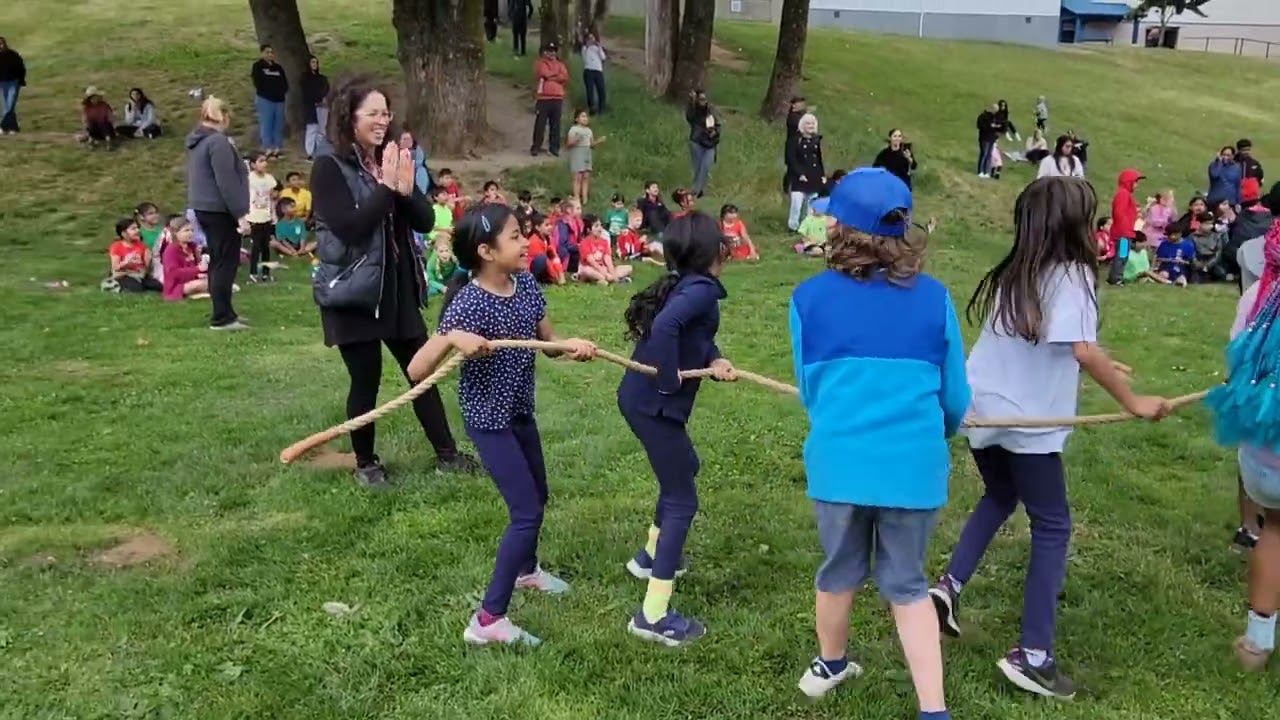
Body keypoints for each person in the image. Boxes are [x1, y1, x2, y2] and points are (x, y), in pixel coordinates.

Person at [930, 176, 1172, 700]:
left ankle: (945, 589)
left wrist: (1100, 364)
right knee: (1053, 525)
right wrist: (1134, 401)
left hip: (983, 412)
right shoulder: (1075, 275)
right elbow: (1082, 350)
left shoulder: (1014, 273)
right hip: (1027, 425)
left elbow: (1047, 348)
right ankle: (1034, 655)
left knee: (1000, 494)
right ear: (1075, 225)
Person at [790, 168, 967, 720]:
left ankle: (830, 664)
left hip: (839, 463)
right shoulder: (936, 299)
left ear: (840, 227)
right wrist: (933, 434)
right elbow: (956, 398)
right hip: (912, 466)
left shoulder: (807, 298)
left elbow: (809, 388)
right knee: (908, 584)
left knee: (839, 570)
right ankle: (933, 709)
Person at [405, 204, 597, 646]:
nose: (526, 241)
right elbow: (417, 371)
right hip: (488, 421)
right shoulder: (469, 302)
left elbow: (546, 345)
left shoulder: (527, 285)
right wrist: (452, 337)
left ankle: (526, 572)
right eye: (514, 236)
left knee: (539, 496)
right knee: (525, 512)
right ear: (487, 251)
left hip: (519, 410)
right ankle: (488, 620)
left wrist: (568, 346)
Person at [310, 75, 478, 487]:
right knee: (364, 379)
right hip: (355, 293)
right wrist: (386, 188)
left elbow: (423, 220)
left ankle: (447, 454)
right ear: (350, 118)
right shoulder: (329, 166)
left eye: (386, 112)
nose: (382, 120)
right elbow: (351, 228)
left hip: (398, 289)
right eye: (373, 113)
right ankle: (365, 463)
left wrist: (403, 189)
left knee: (422, 371)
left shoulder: (389, 158)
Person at [619, 211, 738, 646]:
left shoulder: (690, 286)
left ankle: (650, 556)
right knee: (681, 500)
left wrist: (715, 358)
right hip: (654, 406)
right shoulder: (702, 289)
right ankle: (652, 615)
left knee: (685, 465)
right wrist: (668, 378)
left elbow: (692, 333)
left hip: (640, 401)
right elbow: (668, 327)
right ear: (714, 252)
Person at [1206, 225, 1280, 671]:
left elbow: (1236, 360)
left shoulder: (1254, 301)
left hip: (1263, 458)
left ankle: (1256, 643)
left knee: (1274, 529)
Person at [186, 95, 251, 331]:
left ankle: (225, 311)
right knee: (226, 262)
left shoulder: (198, 142)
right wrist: (241, 214)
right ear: (223, 116)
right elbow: (227, 181)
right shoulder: (218, 143)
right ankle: (222, 318)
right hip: (220, 210)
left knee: (218, 261)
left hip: (205, 207)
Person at [786, 113, 825, 231]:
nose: (811, 126)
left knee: (811, 204)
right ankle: (793, 227)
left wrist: (822, 174)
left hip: (814, 176)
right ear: (803, 125)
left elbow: (819, 159)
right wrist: (800, 174)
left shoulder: (816, 140)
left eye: (813, 123)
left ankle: (807, 228)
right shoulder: (795, 140)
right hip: (799, 177)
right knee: (796, 204)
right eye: (808, 123)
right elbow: (791, 159)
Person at [530, 42, 568, 157]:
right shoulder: (541, 63)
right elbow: (543, 73)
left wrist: (551, 77)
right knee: (540, 123)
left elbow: (565, 76)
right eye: (549, 51)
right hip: (543, 97)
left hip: (557, 97)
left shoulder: (561, 64)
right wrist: (556, 76)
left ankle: (554, 147)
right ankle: (536, 146)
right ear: (545, 52)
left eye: (554, 51)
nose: (552, 53)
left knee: (556, 124)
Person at [1106, 168, 1143, 285]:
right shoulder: (1123, 194)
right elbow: (1119, 212)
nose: (1137, 185)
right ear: (1129, 181)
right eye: (1135, 182)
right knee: (1122, 256)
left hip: (1125, 231)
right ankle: (1116, 278)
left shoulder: (1124, 194)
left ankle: (1115, 277)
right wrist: (1124, 228)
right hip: (1123, 233)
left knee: (1122, 255)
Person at [250, 44, 288, 156]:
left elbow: (284, 83)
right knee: (267, 123)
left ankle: (277, 147)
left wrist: (281, 92)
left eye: (271, 52)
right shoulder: (258, 66)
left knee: (278, 124)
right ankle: (268, 147)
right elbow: (258, 83)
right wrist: (269, 91)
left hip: (279, 100)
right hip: (265, 99)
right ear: (262, 53)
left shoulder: (278, 68)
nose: (270, 54)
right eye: (267, 52)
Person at [246, 152, 278, 282]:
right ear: (253, 165)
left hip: (266, 215)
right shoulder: (249, 178)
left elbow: (270, 198)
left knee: (266, 246)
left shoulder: (269, 178)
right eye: (261, 161)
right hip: (253, 216)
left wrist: (273, 214)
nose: (265, 163)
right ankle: (253, 272)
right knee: (256, 246)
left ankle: (266, 272)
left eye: (265, 160)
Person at [107, 218, 162, 293]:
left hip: (139, 274)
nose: (137, 230)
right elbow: (115, 267)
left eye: (137, 228)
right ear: (123, 233)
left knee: (158, 286)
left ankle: (139, 283)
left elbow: (146, 267)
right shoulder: (117, 246)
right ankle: (117, 285)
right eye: (133, 229)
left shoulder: (142, 246)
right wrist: (126, 263)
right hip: (123, 274)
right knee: (136, 288)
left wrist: (148, 260)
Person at [161, 216, 210, 301]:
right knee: (201, 284)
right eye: (186, 230)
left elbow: (194, 265)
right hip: (176, 286)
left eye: (192, 230)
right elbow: (173, 273)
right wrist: (197, 269)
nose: (190, 233)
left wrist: (200, 271)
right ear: (175, 232)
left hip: (191, 279)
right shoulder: (171, 250)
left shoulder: (192, 247)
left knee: (214, 279)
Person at [576, 214, 632, 284]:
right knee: (586, 270)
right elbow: (592, 262)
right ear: (588, 230)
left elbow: (608, 260)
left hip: (604, 268)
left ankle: (603, 280)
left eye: (601, 225)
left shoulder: (604, 242)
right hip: (591, 268)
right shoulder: (584, 243)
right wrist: (605, 273)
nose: (600, 228)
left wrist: (612, 274)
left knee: (629, 268)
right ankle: (605, 278)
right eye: (596, 226)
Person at [685, 90, 721, 197]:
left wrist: (715, 132)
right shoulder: (694, 112)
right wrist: (691, 102)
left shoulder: (711, 112)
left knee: (706, 166)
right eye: (700, 99)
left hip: (710, 143)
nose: (703, 101)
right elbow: (689, 117)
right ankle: (698, 189)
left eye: (704, 99)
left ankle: (698, 188)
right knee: (698, 167)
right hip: (697, 142)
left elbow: (718, 125)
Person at [566, 108, 604, 204]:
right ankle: (576, 198)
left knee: (586, 176)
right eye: (582, 116)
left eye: (586, 116)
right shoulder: (573, 129)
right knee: (577, 176)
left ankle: (585, 199)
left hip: (587, 153)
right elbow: (568, 143)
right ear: (576, 119)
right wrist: (576, 140)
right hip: (578, 152)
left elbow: (591, 144)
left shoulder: (589, 130)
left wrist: (599, 141)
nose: (585, 118)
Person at [301, 55, 330, 160]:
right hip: (311, 107)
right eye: (312, 63)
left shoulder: (322, 78)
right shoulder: (305, 78)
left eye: (316, 63)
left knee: (321, 131)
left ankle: (319, 151)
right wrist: (317, 98)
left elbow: (327, 89)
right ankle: (310, 152)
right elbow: (307, 93)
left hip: (322, 107)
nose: (315, 65)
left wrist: (323, 99)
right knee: (312, 129)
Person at [0, 37, 26, 134]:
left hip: (13, 83)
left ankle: (3, 126)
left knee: (10, 105)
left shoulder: (13, 55)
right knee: (7, 107)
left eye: (2, 44)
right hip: (2, 84)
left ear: (5, 44)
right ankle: (13, 128)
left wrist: (21, 80)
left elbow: (21, 67)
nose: (1, 46)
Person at [781, 96, 808, 192]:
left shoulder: (801, 115)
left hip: (800, 145)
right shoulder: (792, 117)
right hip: (793, 146)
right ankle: (787, 188)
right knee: (792, 167)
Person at [581, 32, 608, 115]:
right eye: (589, 38)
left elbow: (603, 58)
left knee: (601, 90)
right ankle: (592, 108)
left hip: (598, 71)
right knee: (590, 90)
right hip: (589, 70)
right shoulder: (585, 48)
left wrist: (599, 47)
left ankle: (602, 109)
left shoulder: (597, 48)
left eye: (592, 38)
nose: (592, 40)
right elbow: (585, 59)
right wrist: (587, 46)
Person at [975, 102, 1000, 178]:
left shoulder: (995, 118)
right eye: (995, 109)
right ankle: (980, 171)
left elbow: (996, 129)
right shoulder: (983, 116)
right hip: (984, 138)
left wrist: (996, 136)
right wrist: (990, 126)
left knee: (989, 155)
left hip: (991, 139)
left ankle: (986, 171)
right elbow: (980, 126)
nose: (996, 111)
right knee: (984, 154)